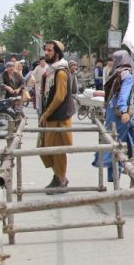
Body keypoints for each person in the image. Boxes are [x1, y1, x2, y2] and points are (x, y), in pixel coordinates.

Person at [39, 40, 76, 191]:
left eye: (49, 51)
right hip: (51, 117)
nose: (46, 53)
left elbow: (60, 97)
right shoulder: (51, 70)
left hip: (59, 118)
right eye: (45, 50)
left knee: (57, 150)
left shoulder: (60, 72)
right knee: (45, 149)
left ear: (57, 53)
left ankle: (60, 179)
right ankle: (59, 176)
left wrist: (45, 115)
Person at [94, 49, 134, 181]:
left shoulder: (115, 74)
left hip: (112, 112)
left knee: (117, 140)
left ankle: (115, 174)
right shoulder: (127, 75)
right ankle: (117, 172)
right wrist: (124, 111)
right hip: (121, 115)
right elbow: (123, 95)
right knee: (118, 144)